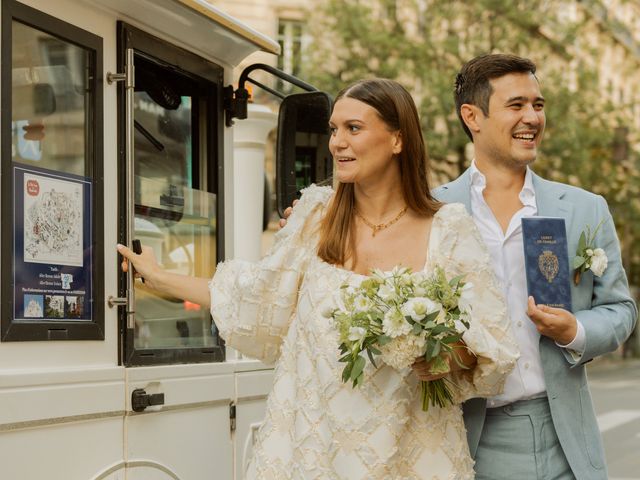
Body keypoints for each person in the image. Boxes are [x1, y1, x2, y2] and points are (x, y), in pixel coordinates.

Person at [118, 78, 518, 479]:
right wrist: (159, 277)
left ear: (398, 139)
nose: (337, 142)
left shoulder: (448, 229)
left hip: (410, 456)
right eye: (334, 129)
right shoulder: (314, 217)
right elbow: (253, 296)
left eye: (354, 128)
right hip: (309, 453)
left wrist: (442, 356)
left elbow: (489, 344)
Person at [419, 53, 637, 480]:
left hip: (565, 442)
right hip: (470, 442)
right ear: (472, 116)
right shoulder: (431, 210)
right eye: (516, 105)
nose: (532, 117)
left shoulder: (584, 209)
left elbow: (621, 310)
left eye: (538, 105)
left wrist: (575, 330)